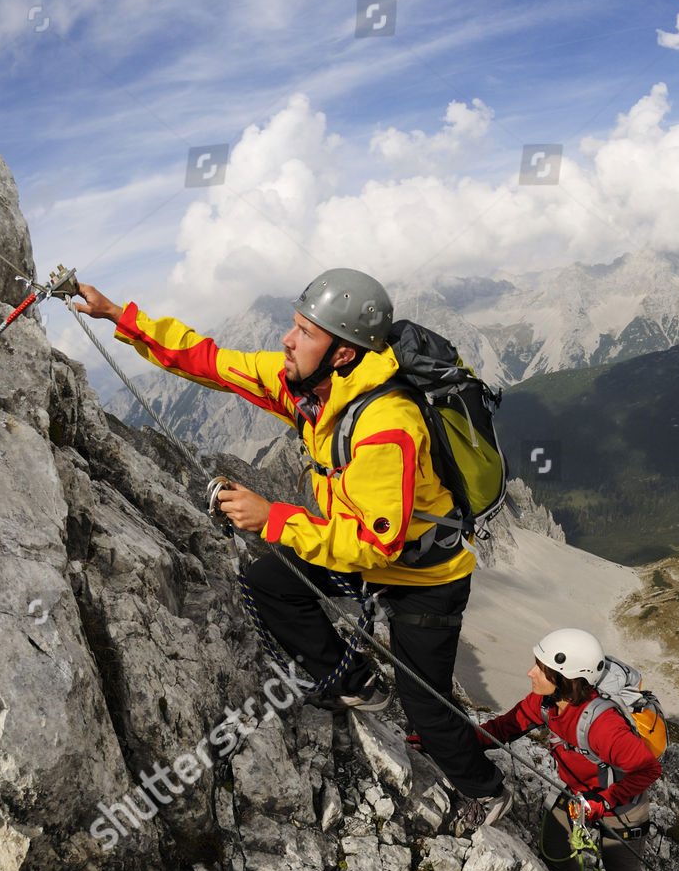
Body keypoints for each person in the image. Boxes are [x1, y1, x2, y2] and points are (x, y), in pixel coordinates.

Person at [71, 268, 514, 833]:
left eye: (305, 331)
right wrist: (119, 317)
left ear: (344, 354)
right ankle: (354, 682)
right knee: (268, 579)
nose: (287, 339)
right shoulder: (311, 390)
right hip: (366, 551)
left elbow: (373, 548)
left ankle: (486, 791)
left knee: (426, 707)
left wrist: (273, 517)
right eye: (295, 325)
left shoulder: (386, 425)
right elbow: (212, 363)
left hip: (425, 577)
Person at [477, 628, 663, 871]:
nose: (530, 672)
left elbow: (647, 769)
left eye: (540, 668)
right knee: (552, 848)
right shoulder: (546, 703)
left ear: (564, 678)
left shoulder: (604, 725)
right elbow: (505, 727)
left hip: (621, 803)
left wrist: (604, 801)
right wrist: (448, 741)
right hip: (579, 794)